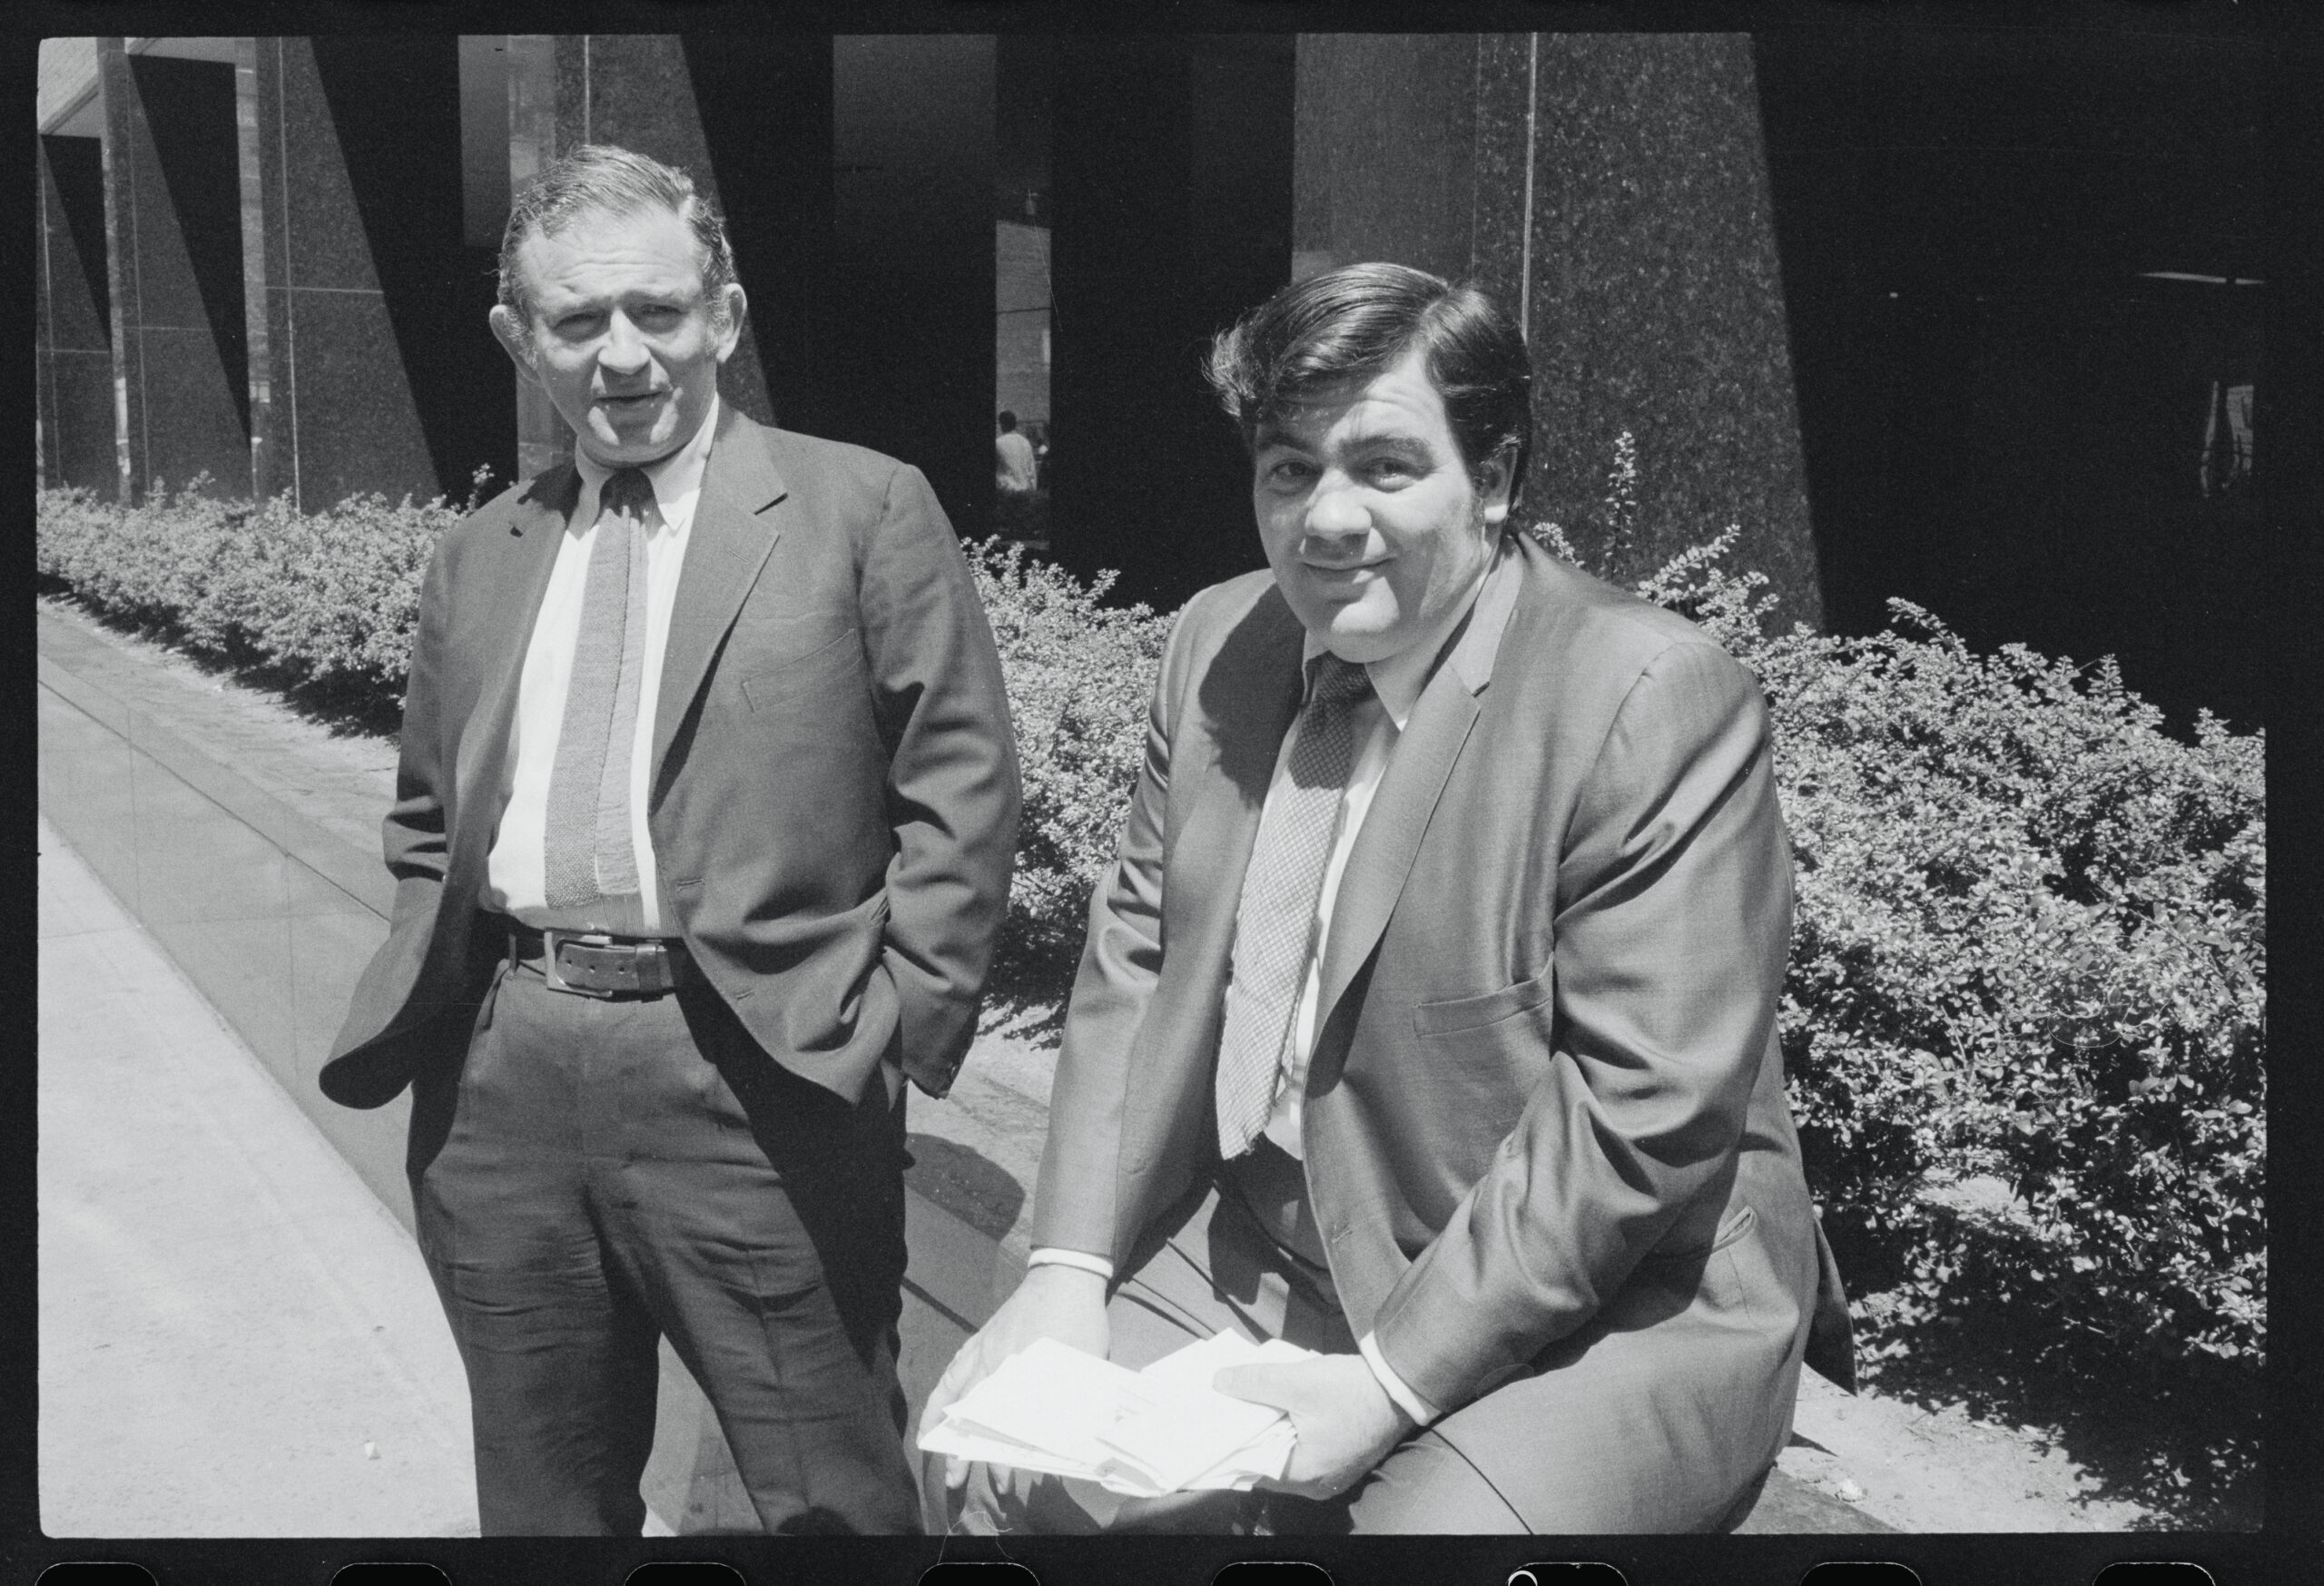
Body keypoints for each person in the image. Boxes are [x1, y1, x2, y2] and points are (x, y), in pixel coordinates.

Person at [921, 262, 1851, 1534]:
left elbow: (1639, 1114)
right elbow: (1137, 964)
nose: (1327, 518)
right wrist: (1067, 1268)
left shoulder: (1648, 696)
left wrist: (1389, 1378)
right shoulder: (1214, 642)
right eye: (1290, 467)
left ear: (1498, 477)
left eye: (1385, 466)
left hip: (1610, 1299)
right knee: (999, 1478)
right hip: (1269, 1225)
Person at [322, 144, 1020, 1536]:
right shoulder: (483, 550)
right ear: (520, 339)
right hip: (505, 1074)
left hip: (759, 1073)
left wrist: (891, 1028)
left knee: (830, 1497)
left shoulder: (861, 508)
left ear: (728, 315)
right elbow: (427, 812)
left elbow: (962, 787)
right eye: (580, 322)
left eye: (661, 310)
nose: (626, 356)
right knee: (544, 1494)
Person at [995, 410, 1040, 539]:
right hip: (1026, 491)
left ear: (1002, 424)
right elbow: (1031, 469)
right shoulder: (1025, 442)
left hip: (1008, 493)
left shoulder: (998, 443)